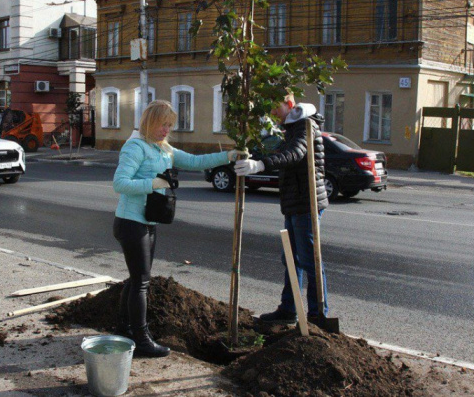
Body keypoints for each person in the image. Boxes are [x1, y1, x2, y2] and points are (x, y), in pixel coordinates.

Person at [113, 100, 242, 358]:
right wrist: (154, 182)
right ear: (151, 122)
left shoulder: (164, 148)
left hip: (148, 221)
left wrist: (228, 156)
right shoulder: (135, 147)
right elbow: (120, 183)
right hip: (130, 222)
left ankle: (124, 328)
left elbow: (195, 161)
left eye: (170, 125)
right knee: (141, 282)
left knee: (137, 279)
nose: (166, 130)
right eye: (163, 124)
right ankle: (141, 339)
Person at [234, 95, 329, 324]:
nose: (274, 113)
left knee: (310, 260)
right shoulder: (291, 127)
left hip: (306, 203)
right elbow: (281, 151)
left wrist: (261, 165)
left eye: (275, 107)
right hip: (294, 202)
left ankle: (317, 316)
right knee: (291, 259)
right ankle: (289, 309)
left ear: (288, 103)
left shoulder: (305, 125)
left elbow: (296, 154)